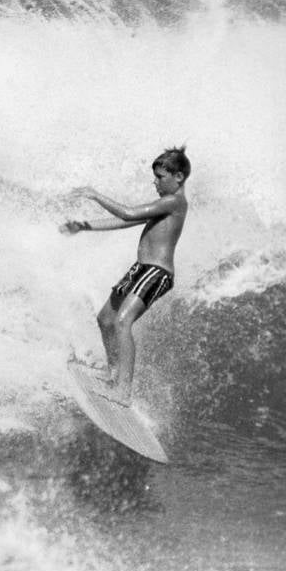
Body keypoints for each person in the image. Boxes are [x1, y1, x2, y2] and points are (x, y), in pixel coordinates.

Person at [60, 147, 190, 406]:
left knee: (122, 322)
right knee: (105, 319)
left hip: (156, 272)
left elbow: (127, 213)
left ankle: (123, 392)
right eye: (155, 177)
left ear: (178, 177)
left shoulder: (175, 202)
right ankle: (114, 373)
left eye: (160, 177)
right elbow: (124, 222)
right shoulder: (163, 205)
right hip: (139, 269)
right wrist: (84, 226)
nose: (155, 182)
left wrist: (95, 194)